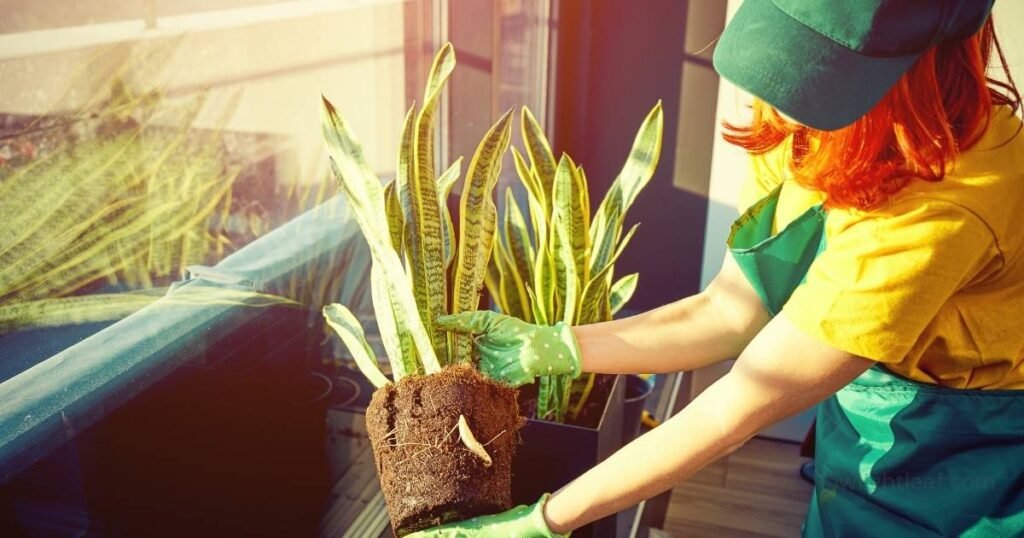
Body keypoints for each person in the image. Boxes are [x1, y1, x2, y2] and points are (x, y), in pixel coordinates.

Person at [409, 1, 1024, 536]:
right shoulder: (799, 122)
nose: (778, 109)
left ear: (916, 73)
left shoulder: (946, 209)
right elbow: (729, 311)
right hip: (863, 418)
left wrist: (546, 520)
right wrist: (558, 345)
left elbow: (738, 406)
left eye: (818, 74)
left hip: (967, 458)